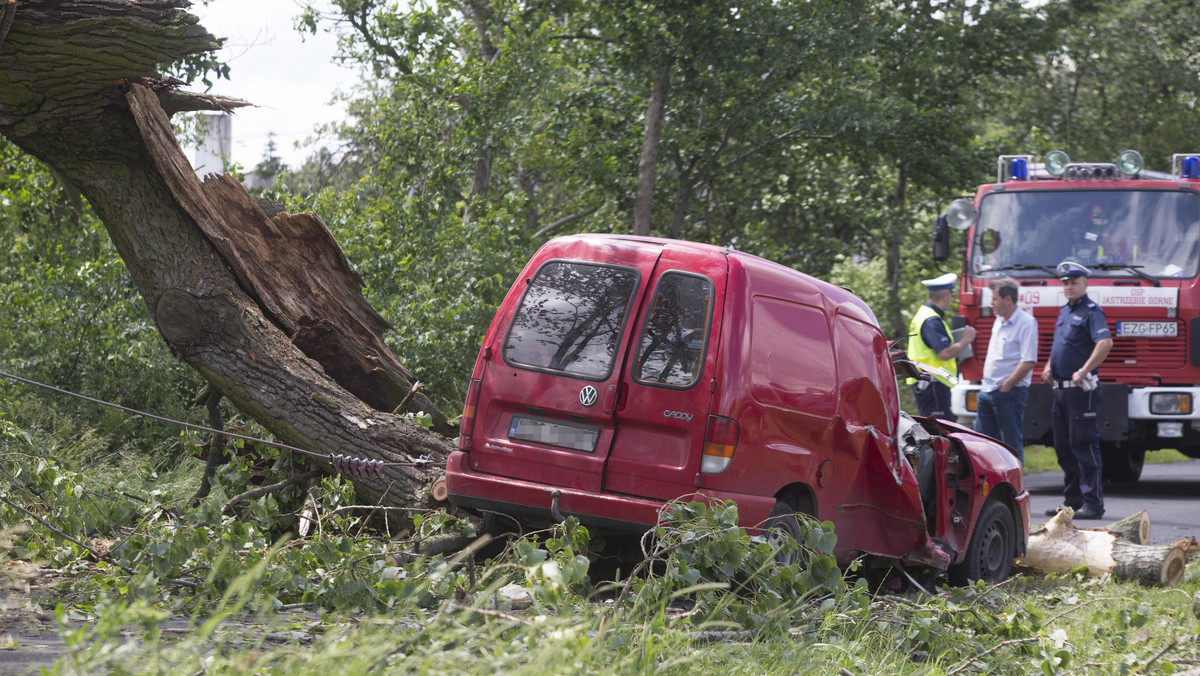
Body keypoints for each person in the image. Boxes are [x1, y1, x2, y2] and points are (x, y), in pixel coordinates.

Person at [1041, 261, 1113, 520]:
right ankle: (1072, 504)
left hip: (1081, 391)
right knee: (1064, 448)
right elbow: (1062, 345)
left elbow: (1105, 343)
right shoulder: (1064, 312)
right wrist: (1049, 365)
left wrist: (1084, 371)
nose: (1069, 286)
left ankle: (1093, 505)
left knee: (1084, 446)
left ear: (1085, 283)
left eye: (1074, 282)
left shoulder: (1092, 311)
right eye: (1066, 283)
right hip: (1061, 391)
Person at [974, 278, 1038, 463]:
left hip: (1009, 393)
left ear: (1007, 299)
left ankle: (1016, 488)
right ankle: (993, 487)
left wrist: (1007, 385)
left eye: (994, 299)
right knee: (984, 445)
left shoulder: (1026, 323)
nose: (991, 303)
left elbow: (1028, 360)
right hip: (987, 390)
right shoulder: (998, 321)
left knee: (1010, 445)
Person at [907, 273, 976, 420]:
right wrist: (965, 340)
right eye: (951, 296)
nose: (951, 300)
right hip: (933, 384)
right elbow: (944, 353)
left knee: (935, 429)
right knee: (939, 429)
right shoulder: (932, 320)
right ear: (946, 297)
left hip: (928, 383)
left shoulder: (924, 315)